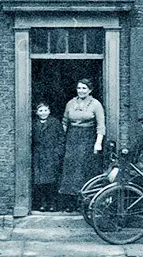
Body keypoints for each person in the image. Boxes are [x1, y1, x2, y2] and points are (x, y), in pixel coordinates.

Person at [59, 79, 105, 211]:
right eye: (79, 88)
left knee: (83, 169)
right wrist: (63, 139)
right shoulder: (71, 103)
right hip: (72, 137)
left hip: (88, 138)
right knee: (70, 168)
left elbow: (101, 125)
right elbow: (64, 122)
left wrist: (98, 142)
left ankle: (84, 203)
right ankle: (70, 203)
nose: (81, 91)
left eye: (84, 88)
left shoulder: (95, 104)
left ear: (90, 90)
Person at [32, 102, 65, 211]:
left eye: (45, 110)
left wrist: (58, 152)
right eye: (40, 111)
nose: (43, 113)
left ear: (49, 111)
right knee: (40, 181)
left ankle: (52, 204)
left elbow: (61, 138)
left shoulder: (55, 122)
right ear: (36, 112)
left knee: (52, 181)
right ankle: (43, 203)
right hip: (39, 155)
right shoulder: (34, 124)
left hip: (51, 155)